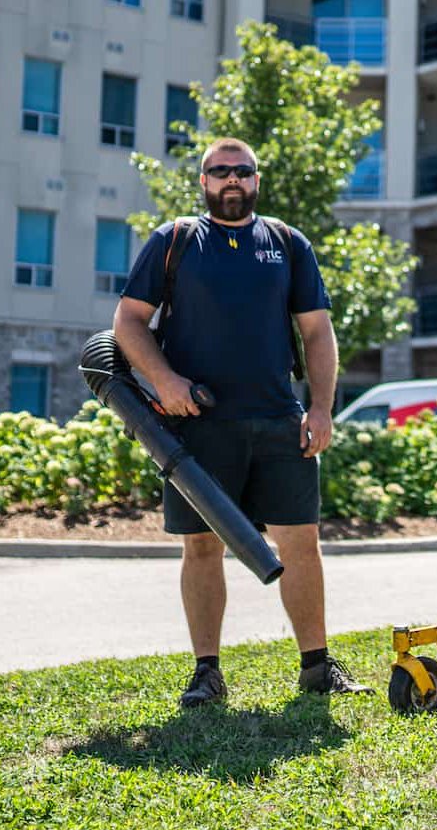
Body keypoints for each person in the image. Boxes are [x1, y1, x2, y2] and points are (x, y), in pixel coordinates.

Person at [114, 137, 372, 708]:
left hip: (281, 421)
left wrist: (322, 407)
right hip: (198, 426)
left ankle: (315, 665)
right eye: (220, 171)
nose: (232, 180)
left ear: (257, 179)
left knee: (301, 543)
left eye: (243, 171)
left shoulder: (286, 243)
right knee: (202, 548)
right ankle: (207, 672)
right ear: (203, 180)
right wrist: (165, 382)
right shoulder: (175, 241)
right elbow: (128, 323)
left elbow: (316, 332)